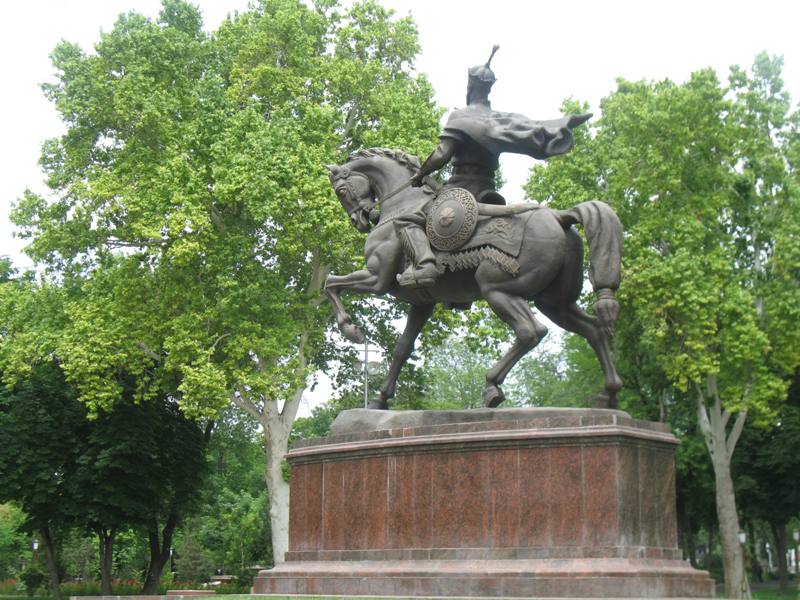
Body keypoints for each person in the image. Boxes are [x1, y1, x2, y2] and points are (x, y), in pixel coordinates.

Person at [394, 45, 591, 288]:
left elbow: (442, 153)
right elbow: (531, 126)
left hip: (460, 192)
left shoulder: (461, 117)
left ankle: (425, 267)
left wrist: (421, 172)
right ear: (489, 89)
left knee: (406, 218)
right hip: (488, 191)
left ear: (469, 87)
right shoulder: (499, 119)